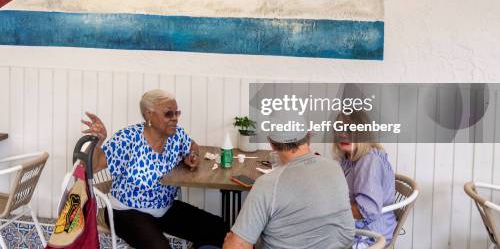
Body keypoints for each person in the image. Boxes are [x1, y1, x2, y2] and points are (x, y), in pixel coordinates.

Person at [82, 89, 228, 249]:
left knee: (219, 229)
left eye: (177, 113)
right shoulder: (128, 138)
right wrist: (98, 141)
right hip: (127, 211)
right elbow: (92, 167)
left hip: (165, 208)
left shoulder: (176, 135)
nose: (175, 119)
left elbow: (192, 145)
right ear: (149, 114)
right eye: (168, 114)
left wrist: (192, 155)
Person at [223, 126, 355, 249]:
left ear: (272, 144)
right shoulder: (335, 168)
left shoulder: (267, 184)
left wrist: (231, 241)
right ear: (308, 137)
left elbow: (236, 246)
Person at [333, 110, 397, 248]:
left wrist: (330, 211)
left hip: (370, 234)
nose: (343, 134)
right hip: (355, 225)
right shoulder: (348, 158)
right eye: (339, 128)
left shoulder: (369, 161)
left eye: (350, 129)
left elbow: (366, 211)